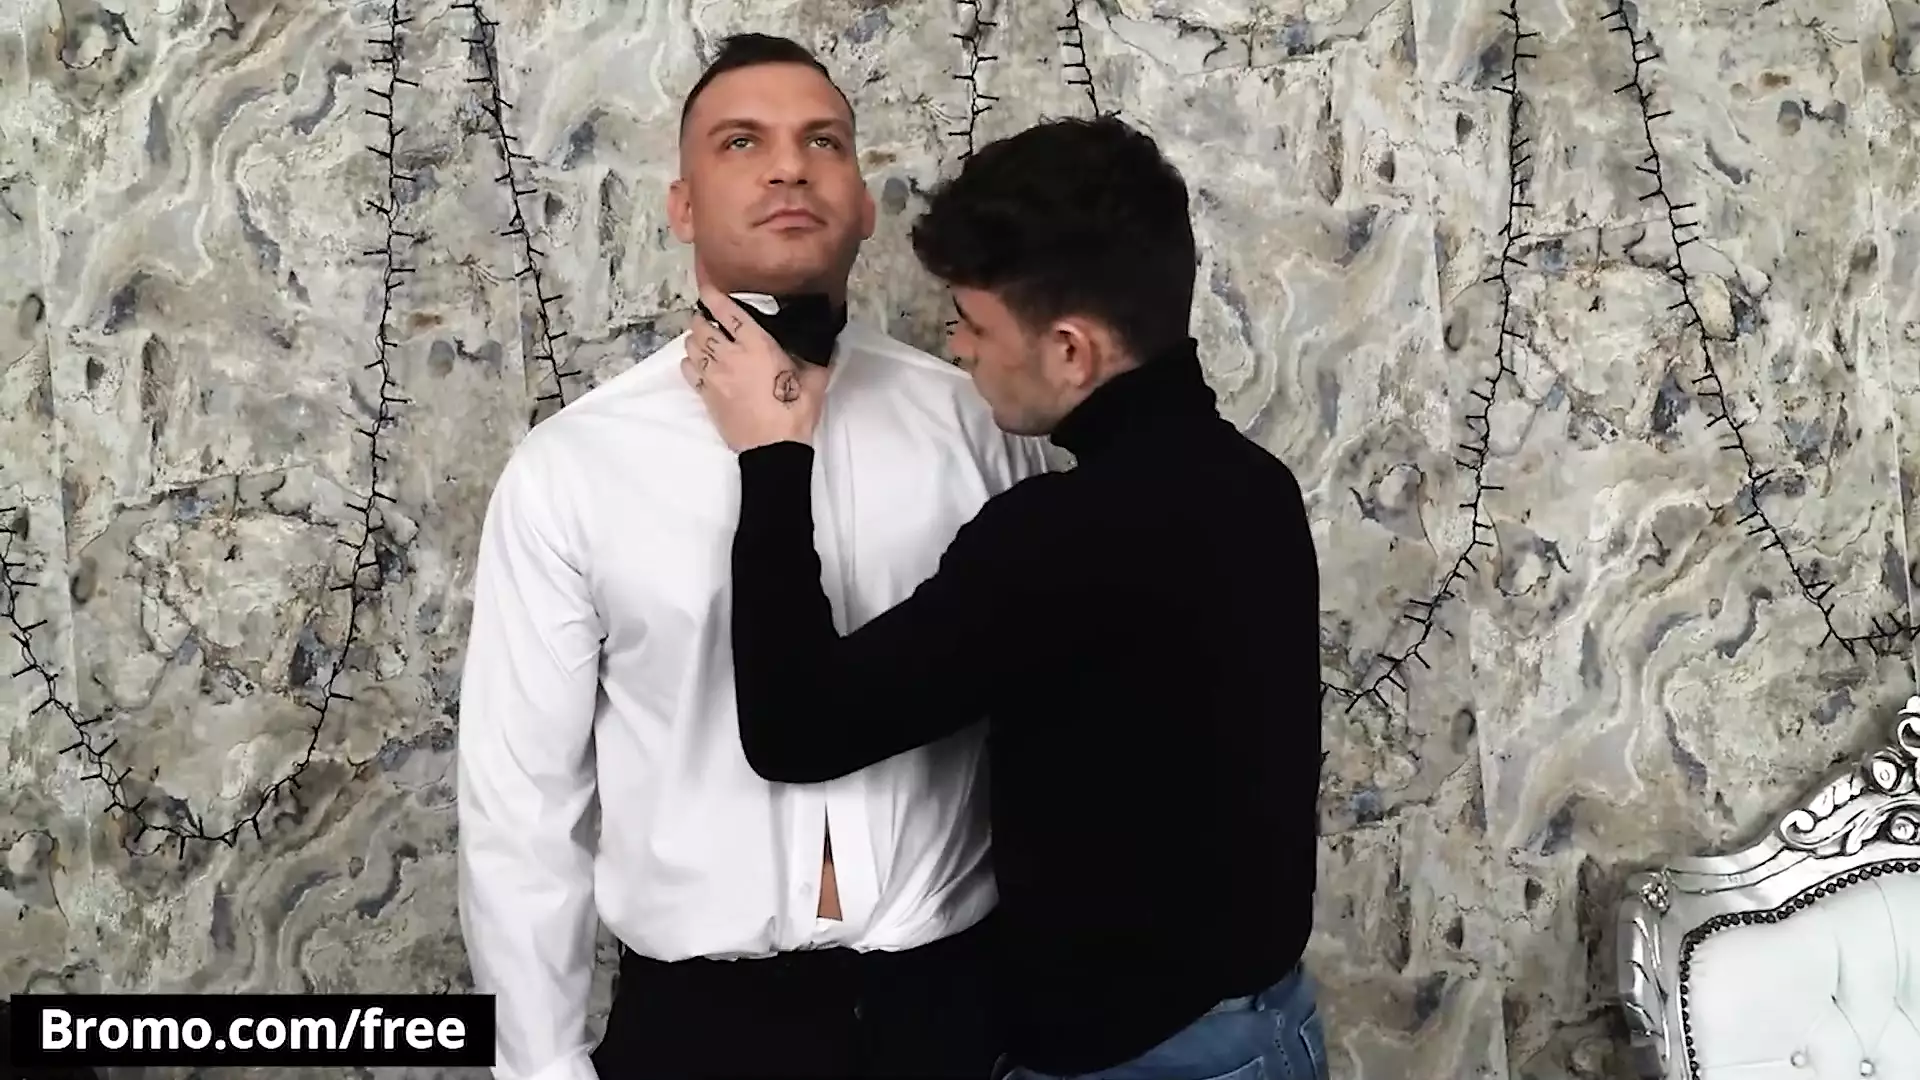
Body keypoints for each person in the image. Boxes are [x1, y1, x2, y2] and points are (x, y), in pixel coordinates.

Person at [682, 115, 1329, 1080]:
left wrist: (772, 455)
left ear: (1071, 351)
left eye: (975, 325)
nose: (960, 349)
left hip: (1151, 1062)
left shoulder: (1064, 537)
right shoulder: (1255, 484)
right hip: (1268, 1031)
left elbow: (796, 727)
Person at [455, 33, 1050, 1080]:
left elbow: (1059, 728)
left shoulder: (983, 428)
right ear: (682, 206)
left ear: (864, 204)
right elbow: (523, 807)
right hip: (700, 1033)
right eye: (742, 142)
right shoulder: (573, 467)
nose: (788, 167)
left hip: (954, 1018)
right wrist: (541, 1069)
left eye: (824, 142)